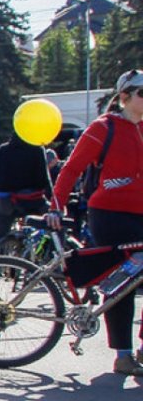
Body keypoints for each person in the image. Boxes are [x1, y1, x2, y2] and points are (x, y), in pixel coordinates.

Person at [48, 69, 143, 376]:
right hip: (109, 215)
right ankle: (123, 355)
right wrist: (56, 206)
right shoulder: (104, 127)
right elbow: (71, 169)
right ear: (125, 97)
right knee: (121, 285)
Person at [0, 130, 52, 244]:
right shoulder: (37, 149)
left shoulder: (3, 149)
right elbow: (43, 179)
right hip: (33, 201)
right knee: (57, 224)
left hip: (7, 200)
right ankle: (55, 250)